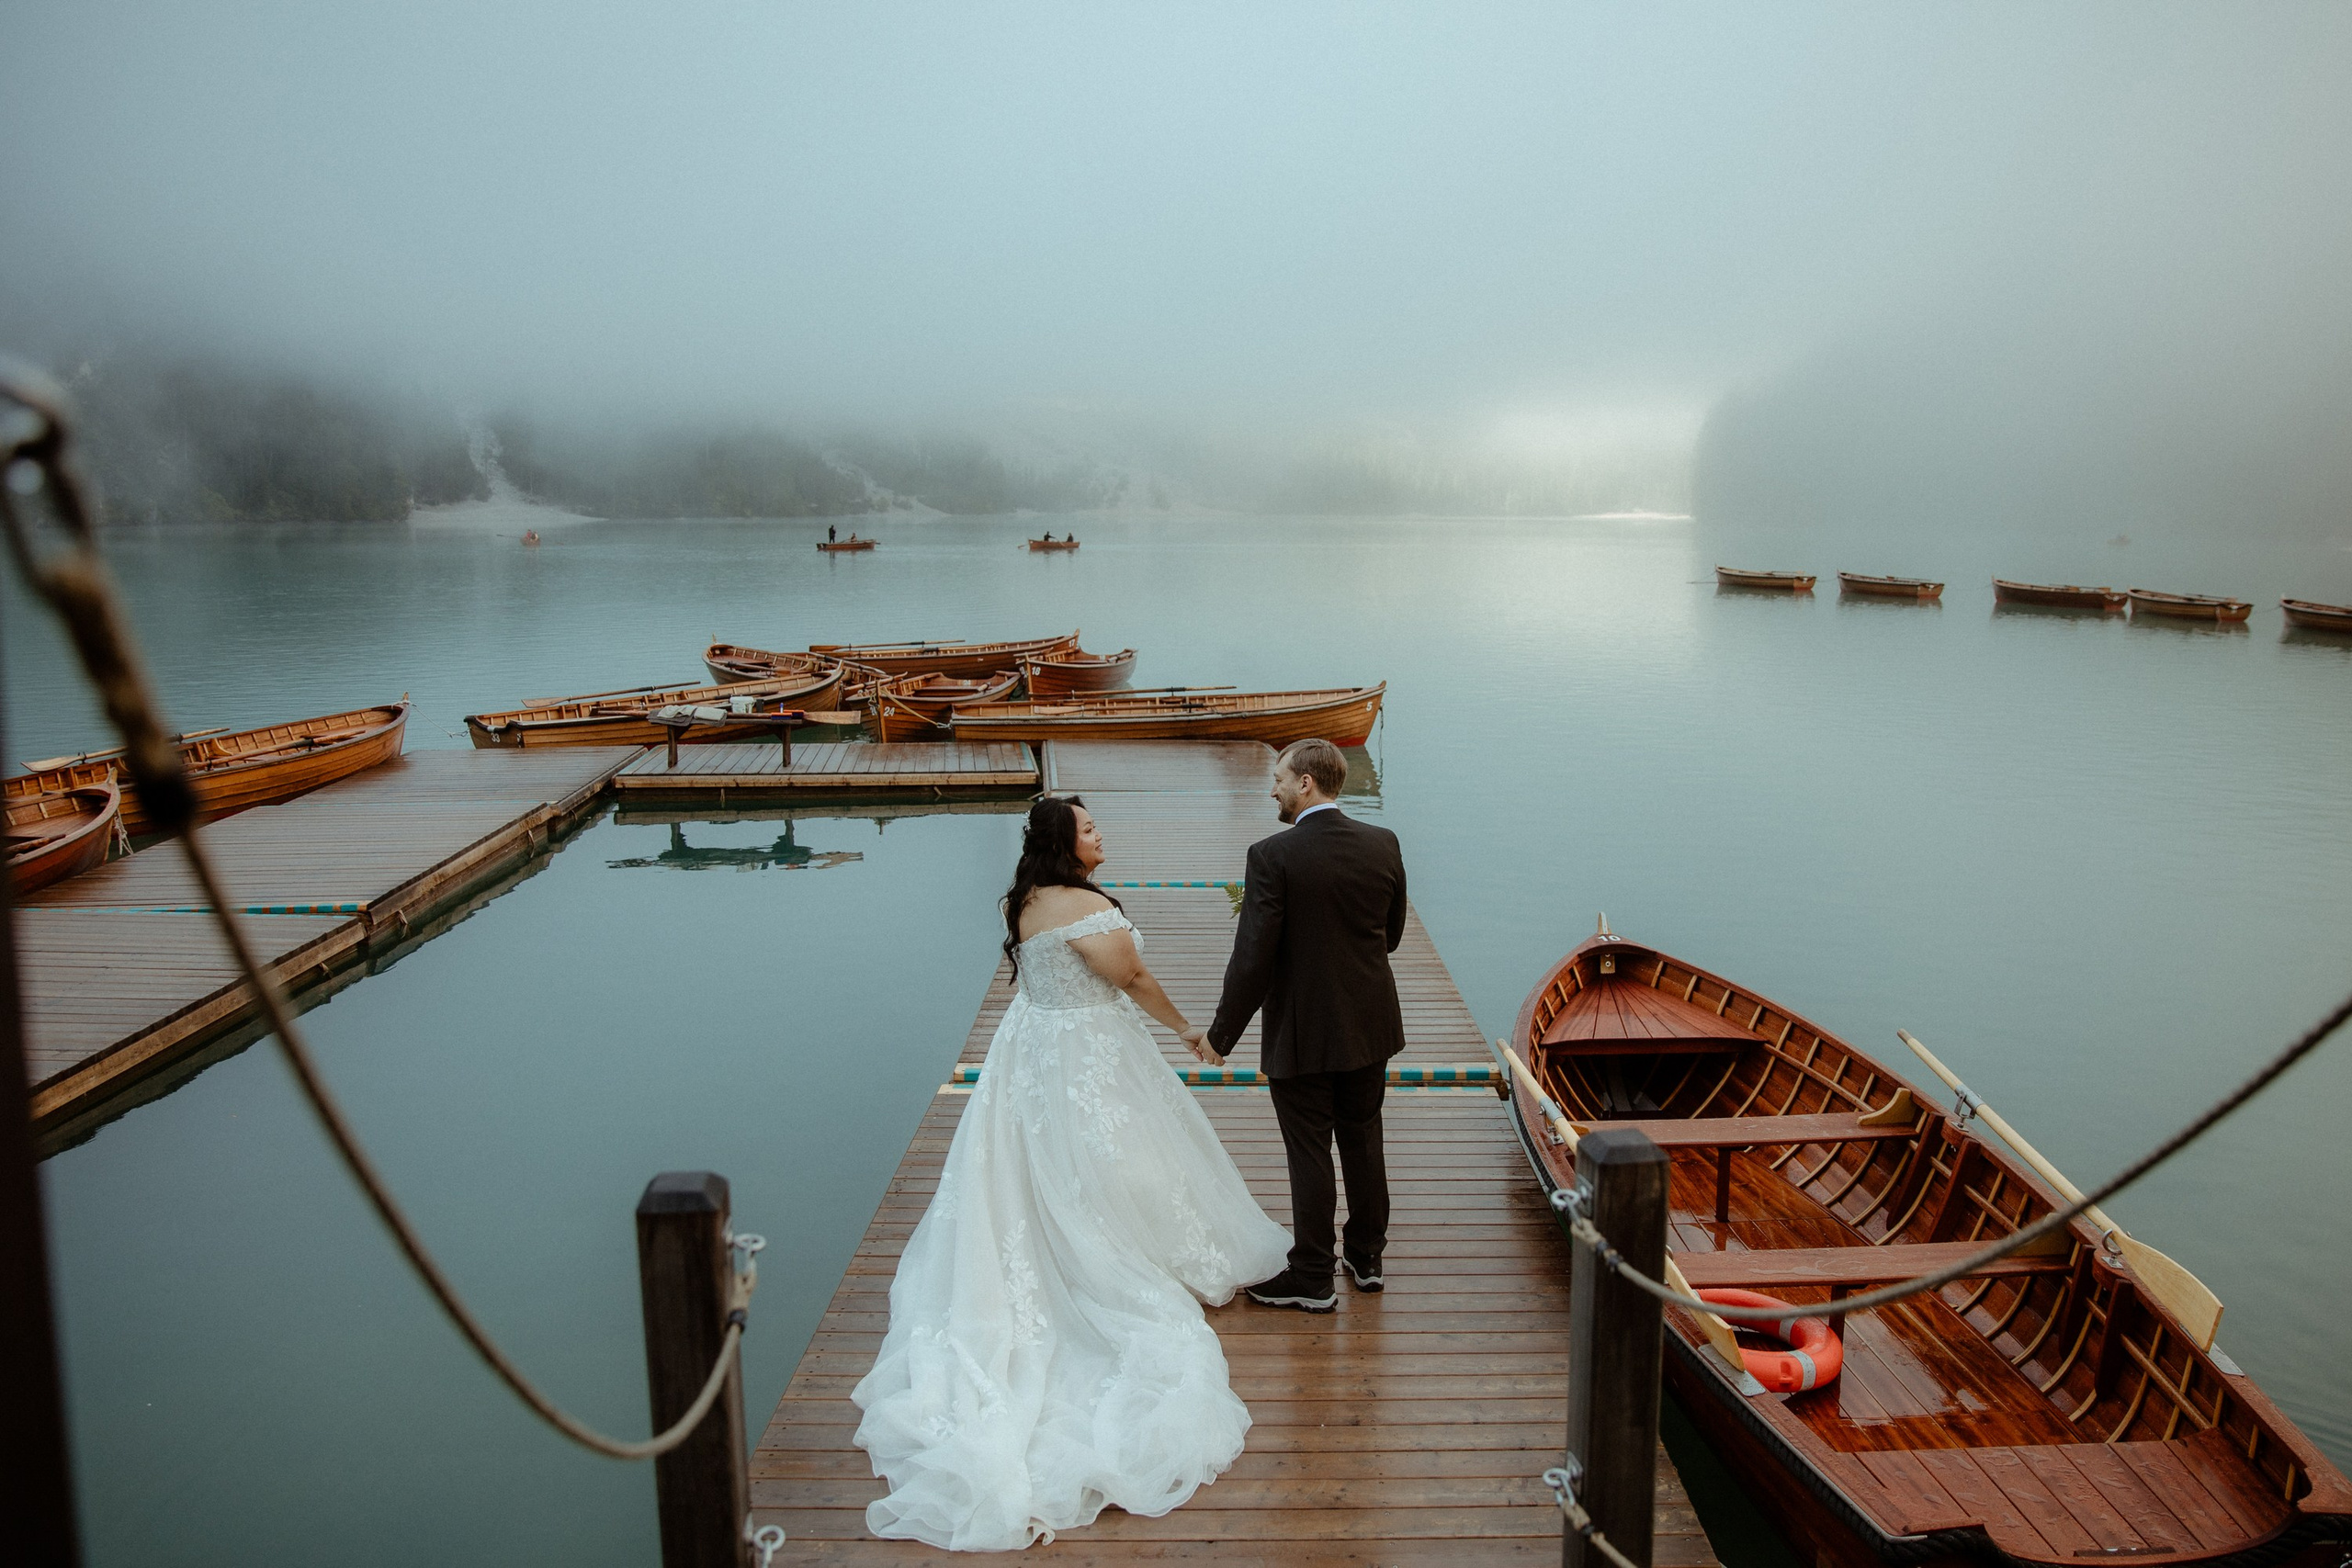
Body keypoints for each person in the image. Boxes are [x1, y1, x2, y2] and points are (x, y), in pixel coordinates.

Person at [853, 795, 1290, 1551]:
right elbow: (1132, 977)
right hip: (1087, 1048)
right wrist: (1189, 1028)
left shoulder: (1026, 899)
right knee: (1114, 1154)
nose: (1101, 836)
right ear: (1066, 843)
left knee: (1047, 1160)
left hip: (1030, 1045)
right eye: (1090, 829)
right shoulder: (1085, 906)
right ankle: (1126, 1253)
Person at [1204, 738, 1408, 1313]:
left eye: (1277, 777)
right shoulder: (1383, 843)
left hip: (1302, 1029)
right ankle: (1367, 1260)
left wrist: (1221, 1037)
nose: (1271, 788)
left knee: (1310, 1150)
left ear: (1305, 784)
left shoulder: (1273, 855)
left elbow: (1253, 958)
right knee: (1364, 1139)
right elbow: (1389, 936)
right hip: (1370, 1023)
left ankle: (1313, 1276)